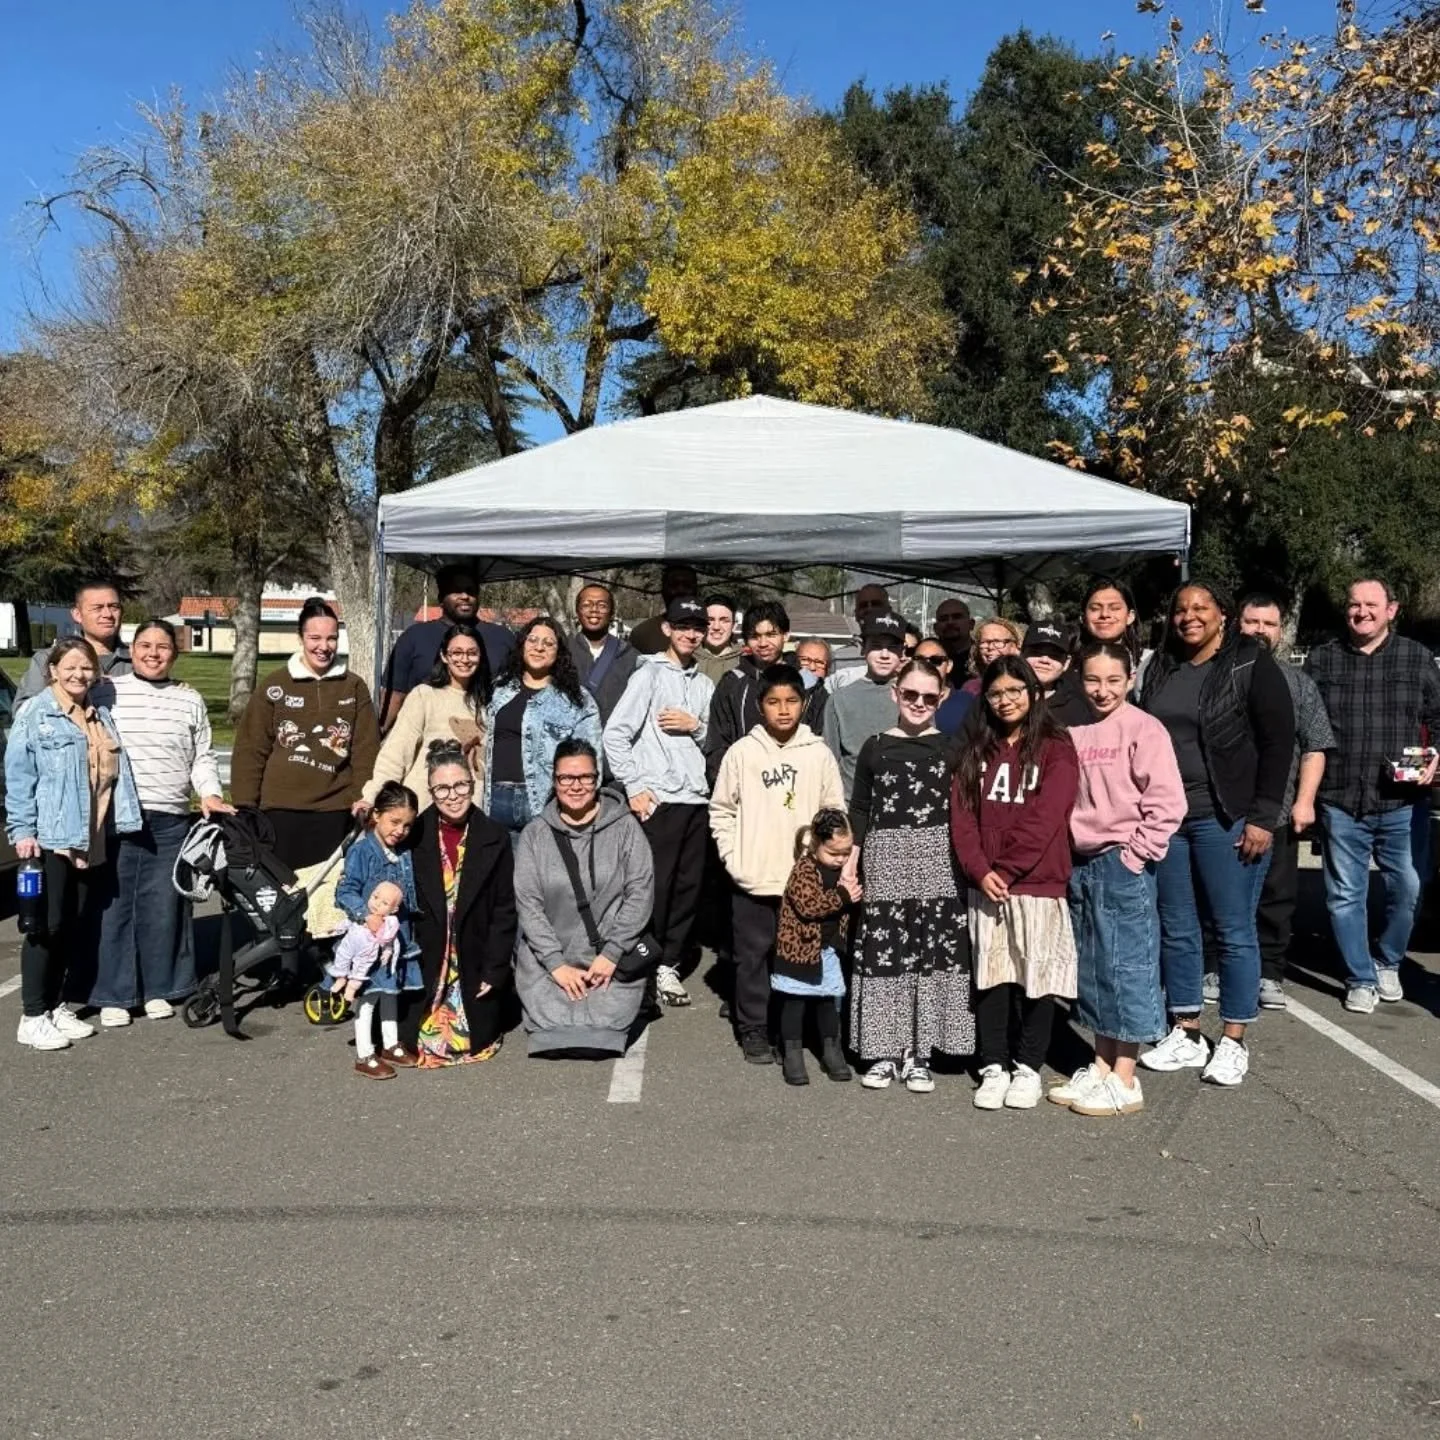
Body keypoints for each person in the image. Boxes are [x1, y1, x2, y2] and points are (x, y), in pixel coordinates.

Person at [1136, 580, 1293, 1087]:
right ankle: (1185, 1030)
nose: (1189, 617)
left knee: (1233, 928)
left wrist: (1263, 816)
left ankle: (1233, 1039)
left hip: (1226, 816)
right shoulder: (1161, 666)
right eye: (1181, 609)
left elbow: (1279, 743)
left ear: (1223, 614)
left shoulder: (1250, 663)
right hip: (1169, 818)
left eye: (1201, 607)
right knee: (1177, 926)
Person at [1051, 642, 1186, 1117]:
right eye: (1093, 680)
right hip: (1081, 863)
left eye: (1113, 680)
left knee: (1128, 966)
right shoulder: (1075, 732)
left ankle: (1125, 1077)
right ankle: (1101, 1065)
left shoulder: (1144, 728)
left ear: (1130, 679)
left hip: (1122, 861)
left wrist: (1135, 856)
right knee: (1094, 968)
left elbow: (1167, 802)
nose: (1102, 690)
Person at [951, 655, 1079, 1111]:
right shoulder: (976, 750)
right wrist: (979, 869)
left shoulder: (1056, 746)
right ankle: (994, 1065)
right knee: (993, 978)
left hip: (1037, 882)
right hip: (986, 884)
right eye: (996, 693)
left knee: (1036, 979)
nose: (1005, 700)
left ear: (1032, 692)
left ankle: (1027, 1067)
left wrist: (1006, 870)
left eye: (1014, 690)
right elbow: (962, 818)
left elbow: (1047, 817)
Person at [1305, 577, 1440, 1012]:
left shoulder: (1417, 658)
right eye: (1353, 604)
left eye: (1370, 604)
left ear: (1391, 610)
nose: (1360, 612)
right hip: (1340, 796)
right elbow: (1306, 727)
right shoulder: (1322, 660)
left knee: (1409, 888)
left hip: (1402, 800)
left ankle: (1387, 960)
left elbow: (1438, 718)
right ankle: (1360, 977)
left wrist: (1436, 755)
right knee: (1345, 895)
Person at [5, 637, 143, 1051]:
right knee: (45, 928)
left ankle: (55, 1005)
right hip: (50, 837)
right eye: (70, 667)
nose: (79, 675)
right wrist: (22, 830)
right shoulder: (36, 713)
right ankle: (32, 1015)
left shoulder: (99, 714)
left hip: (89, 838)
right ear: (52, 671)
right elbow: (19, 776)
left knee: (72, 924)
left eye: (86, 668)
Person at [91, 619, 231, 1027]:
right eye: (145, 645)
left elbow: (201, 756)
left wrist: (210, 793)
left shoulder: (189, 699)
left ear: (175, 653)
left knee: (165, 908)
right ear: (131, 650)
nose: (153, 653)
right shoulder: (106, 690)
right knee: (115, 909)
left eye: (162, 647)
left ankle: (160, 989)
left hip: (171, 818)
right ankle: (115, 994)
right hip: (118, 818)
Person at [848, 658, 975, 1093]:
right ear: (895, 694)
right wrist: (851, 861)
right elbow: (860, 808)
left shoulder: (954, 748)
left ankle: (919, 1053)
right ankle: (884, 1051)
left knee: (930, 953)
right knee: (887, 953)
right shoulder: (874, 747)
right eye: (910, 694)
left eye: (928, 696)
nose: (919, 703)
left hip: (939, 860)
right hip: (885, 859)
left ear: (942, 698)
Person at [710, 663, 845, 1064]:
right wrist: (734, 858)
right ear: (760, 706)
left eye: (791, 701)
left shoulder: (818, 753)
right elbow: (722, 810)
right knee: (751, 956)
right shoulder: (742, 753)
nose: (783, 710)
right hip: (754, 876)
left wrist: (824, 865)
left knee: (800, 956)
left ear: (804, 704)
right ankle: (753, 1028)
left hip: (801, 881)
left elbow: (833, 810)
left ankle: (790, 1030)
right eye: (773, 702)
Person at [604, 596, 715, 1008]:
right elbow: (615, 734)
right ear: (667, 628)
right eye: (683, 626)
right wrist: (634, 786)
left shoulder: (704, 685)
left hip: (696, 800)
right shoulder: (648, 675)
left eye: (698, 627)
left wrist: (696, 725)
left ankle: (669, 964)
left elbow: (714, 743)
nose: (691, 634)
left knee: (688, 890)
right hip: (659, 800)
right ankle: (642, 966)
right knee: (656, 888)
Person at [513, 739, 655, 1057]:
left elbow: (640, 892)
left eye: (585, 777)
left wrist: (613, 953)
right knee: (552, 1025)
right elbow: (528, 904)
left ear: (597, 779)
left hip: (608, 959)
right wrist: (556, 965)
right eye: (566, 778)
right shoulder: (535, 834)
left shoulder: (625, 827)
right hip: (551, 959)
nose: (575, 786)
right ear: (554, 780)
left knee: (604, 1025)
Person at [231, 597, 378, 872]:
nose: (324, 646)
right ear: (300, 638)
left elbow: (366, 750)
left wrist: (363, 798)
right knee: (283, 891)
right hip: (279, 811)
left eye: (331, 638)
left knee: (327, 892)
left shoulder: (353, 686)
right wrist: (245, 807)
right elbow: (250, 749)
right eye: (315, 638)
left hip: (335, 811)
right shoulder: (275, 685)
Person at [1238, 592, 1335, 1010]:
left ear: (1280, 631)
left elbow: (1316, 745)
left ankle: (1270, 973)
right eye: (1252, 622)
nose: (1260, 630)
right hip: (1223, 810)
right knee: (1215, 896)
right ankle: (1213, 967)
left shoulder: (1298, 684)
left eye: (1269, 624)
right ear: (1236, 624)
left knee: (1275, 899)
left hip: (1278, 810)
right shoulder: (1217, 674)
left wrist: (1305, 801)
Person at [409, 739, 516, 1067]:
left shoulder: (495, 836)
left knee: (471, 1039)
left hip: (475, 953)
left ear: (472, 784)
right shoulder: (413, 834)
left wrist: (495, 969)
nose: (453, 796)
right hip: (427, 954)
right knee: (418, 1036)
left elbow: (505, 910)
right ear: (430, 791)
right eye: (442, 788)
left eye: (461, 785)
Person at [482, 616, 602, 848]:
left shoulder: (577, 700)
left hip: (544, 804)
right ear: (522, 645)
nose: (539, 647)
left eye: (548, 643)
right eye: (533, 640)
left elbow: (591, 759)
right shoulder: (498, 689)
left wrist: (578, 805)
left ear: (559, 652)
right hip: (494, 801)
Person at [334, 781, 424, 1076]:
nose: (400, 830)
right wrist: (365, 915)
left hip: (396, 939)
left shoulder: (403, 851)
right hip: (370, 941)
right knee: (369, 996)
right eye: (394, 821)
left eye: (407, 825)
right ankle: (364, 1053)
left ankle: (390, 1043)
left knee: (390, 992)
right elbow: (345, 891)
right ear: (376, 815)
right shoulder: (362, 851)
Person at [773, 809, 862, 1086]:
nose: (840, 859)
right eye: (834, 853)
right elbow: (809, 906)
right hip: (799, 950)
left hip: (827, 951)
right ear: (816, 843)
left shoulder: (842, 871)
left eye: (846, 852)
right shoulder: (804, 869)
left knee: (828, 1001)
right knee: (794, 1002)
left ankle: (831, 1049)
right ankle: (791, 1051)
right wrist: (843, 895)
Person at [364, 623, 491, 810]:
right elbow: (396, 753)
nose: (464, 659)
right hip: (425, 810)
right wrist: (372, 796)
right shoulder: (424, 696)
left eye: (472, 653)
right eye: (456, 652)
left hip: (470, 812)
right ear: (444, 656)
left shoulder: (487, 704)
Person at [380, 564, 513, 730]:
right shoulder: (414, 637)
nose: (465, 596)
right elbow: (395, 695)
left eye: (471, 591)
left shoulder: (502, 637)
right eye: (456, 590)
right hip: (428, 736)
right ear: (441, 597)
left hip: (488, 734)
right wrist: (379, 734)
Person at [707, 602, 825, 783]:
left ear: (785, 635)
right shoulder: (732, 684)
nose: (763, 643)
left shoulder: (809, 685)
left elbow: (821, 739)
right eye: (755, 636)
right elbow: (717, 743)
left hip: (798, 785)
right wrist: (730, 783)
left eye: (771, 634)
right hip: (746, 785)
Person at [821, 611, 906, 800]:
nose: (884, 655)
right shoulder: (840, 699)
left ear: (902, 651)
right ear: (863, 648)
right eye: (876, 646)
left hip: (903, 802)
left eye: (892, 648)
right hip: (852, 804)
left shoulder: (915, 697)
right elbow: (829, 761)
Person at [14, 580, 130, 710]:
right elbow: (24, 711)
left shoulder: (138, 661)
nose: (107, 614)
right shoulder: (47, 659)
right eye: (97, 608)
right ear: (77, 615)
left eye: (114, 607)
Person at [568, 583, 637, 726]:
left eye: (602, 605)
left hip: (614, 736)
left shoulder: (630, 657)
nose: (594, 610)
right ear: (577, 611)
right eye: (586, 605)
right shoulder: (563, 653)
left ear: (612, 613)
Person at [328, 879, 403, 1004]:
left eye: (385, 903)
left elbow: (389, 939)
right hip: (349, 943)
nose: (377, 904)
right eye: (375, 897)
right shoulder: (362, 914)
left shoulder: (387, 924)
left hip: (367, 950)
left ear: (394, 909)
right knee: (341, 957)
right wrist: (336, 928)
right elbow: (349, 922)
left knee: (361, 968)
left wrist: (387, 951)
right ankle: (340, 978)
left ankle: (351, 989)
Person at [1023, 620, 1092, 726]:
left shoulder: (1078, 710)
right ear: (1021, 654)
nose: (1045, 660)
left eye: (1054, 655)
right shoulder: (1002, 694)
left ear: (1066, 663)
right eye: (1036, 652)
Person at [828, 584, 893, 691]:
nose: (869, 609)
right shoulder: (837, 658)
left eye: (876, 604)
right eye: (863, 605)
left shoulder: (903, 654)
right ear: (856, 614)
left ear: (889, 611)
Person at [628, 564, 700, 655]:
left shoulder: (712, 631)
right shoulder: (642, 634)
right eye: (674, 585)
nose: (680, 590)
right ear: (663, 591)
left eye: (687, 585)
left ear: (696, 591)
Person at [916, 636, 974, 737]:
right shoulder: (901, 701)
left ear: (949, 666)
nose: (927, 666)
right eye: (920, 660)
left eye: (936, 660)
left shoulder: (968, 703)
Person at [960, 617, 1023, 696]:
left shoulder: (1027, 681)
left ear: (1015, 646)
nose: (990, 647)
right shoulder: (971, 688)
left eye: (998, 641)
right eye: (984, 642)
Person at [697, 594, 745, 685]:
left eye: (724, 621)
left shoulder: (745, 662)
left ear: (734, 626)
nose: (716, 627)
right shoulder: (687, 658)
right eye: (710, 620)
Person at [934, 597, 974, 670]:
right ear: (935, 628)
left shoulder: (983, 658)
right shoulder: (928, 660)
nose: (950, 622)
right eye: (943, 619)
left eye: (957, 617)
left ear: (971, 624)